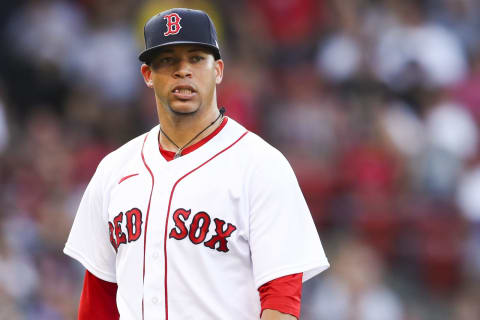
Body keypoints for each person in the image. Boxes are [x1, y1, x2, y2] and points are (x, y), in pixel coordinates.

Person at [64, 8, 329, 320]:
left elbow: (281, 303)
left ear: (217, 70)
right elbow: (98, 300)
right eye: (167, 61)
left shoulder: (261, 166)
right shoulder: (114, 169)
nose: (183, 71)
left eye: (195, 58)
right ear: (148, 75)